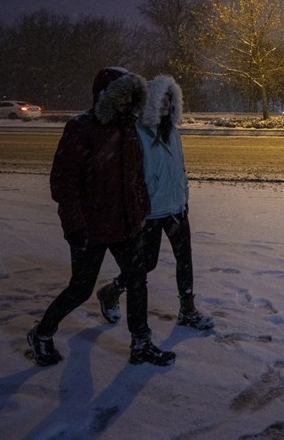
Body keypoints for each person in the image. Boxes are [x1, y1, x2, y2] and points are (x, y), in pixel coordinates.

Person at [27, 66, 176, 367]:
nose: (127, 104)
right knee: (80, 288)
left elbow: (136, 177)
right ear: (105, 97)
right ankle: (42, 333)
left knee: (137, 282)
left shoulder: (129, 127)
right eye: (122, 97)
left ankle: (142, 343)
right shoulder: (81, 128)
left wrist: (142, 211)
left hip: (126, 224)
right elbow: (63, 182)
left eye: (131, 98)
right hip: (90, 227)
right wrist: (74, 225)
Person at [97, 74, 214, 331]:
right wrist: (139, 206)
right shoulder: (136, 133)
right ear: (150, 102)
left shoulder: (172, 133)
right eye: (161, 100)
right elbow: (131, 175)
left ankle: (188, 308)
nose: (165, 106)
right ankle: (112, 291)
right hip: (149, 213)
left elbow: (180, 169)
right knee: (146, 264)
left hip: (175, 208)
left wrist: (184, 198)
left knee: (185, 259)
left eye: (170, 101)